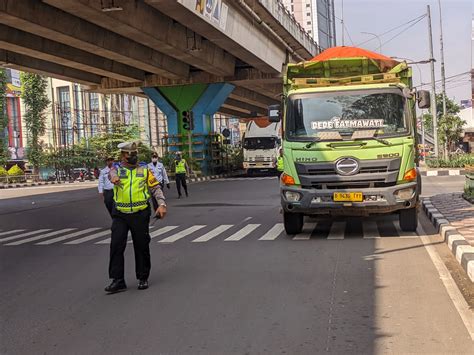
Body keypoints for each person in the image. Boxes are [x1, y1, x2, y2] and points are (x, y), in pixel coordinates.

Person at [105, 142, 167, 294]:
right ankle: (118, 280)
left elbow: (155, 188)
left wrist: (162, 203)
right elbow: (111, 174)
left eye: (134, 154)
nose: (133, 156)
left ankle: (142, 277)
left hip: (140, 214)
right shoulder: (117, 170)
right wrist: (113, 178)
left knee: (141, 245)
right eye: (129, 154)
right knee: (116, 245)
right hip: (120, 214)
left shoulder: (145, 170)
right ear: (123, 156)